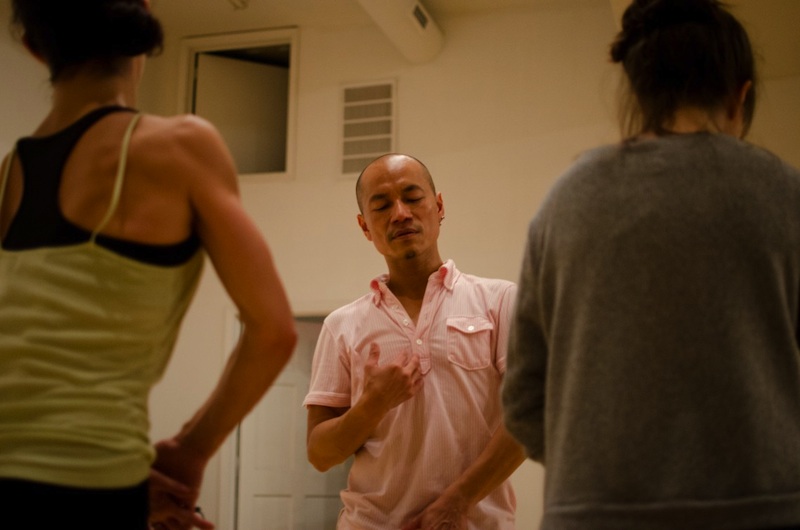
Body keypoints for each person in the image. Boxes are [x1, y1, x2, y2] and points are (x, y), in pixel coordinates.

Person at [502, 0, 800, 528]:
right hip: (765, 508)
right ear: (741, 97)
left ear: (639, 93)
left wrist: (594, 473)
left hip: (592, 514)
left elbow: (524, 399)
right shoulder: (783, 192)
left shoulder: (567, 201)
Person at [0, 1, 297, 529]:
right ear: (140, 28)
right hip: (92, 483)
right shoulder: (181, 147)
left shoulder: (9, 174)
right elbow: (273, 330)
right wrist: (188, 450)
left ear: (34, 47)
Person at [303, 153, 526, 530]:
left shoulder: (501, 301)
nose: (400, 213)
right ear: (364, 227)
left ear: (439, 207)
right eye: (382, 205)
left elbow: (530, 417)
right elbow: (320, 454)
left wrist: (456, 504)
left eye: (412, 197)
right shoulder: (341, 326)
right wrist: (372, 405)